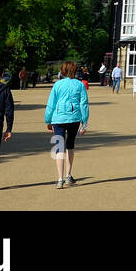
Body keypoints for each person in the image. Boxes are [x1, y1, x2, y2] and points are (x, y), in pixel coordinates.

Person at [44, 61, 90, 189]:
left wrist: (48, 120)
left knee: (59, 147)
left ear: (62, 71)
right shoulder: (79, 85)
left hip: (58, 119)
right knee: (70, 145)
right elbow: (84, 103)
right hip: (74, 118)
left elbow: (51, 104)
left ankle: (59, 178)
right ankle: (68, 175)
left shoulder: (57, 85)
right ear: (75, 71)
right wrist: (84, 121)